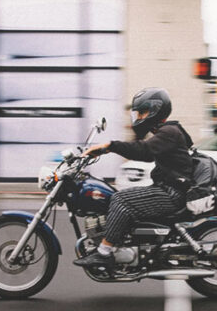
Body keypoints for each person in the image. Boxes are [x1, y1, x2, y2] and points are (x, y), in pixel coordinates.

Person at [73, 87, 193, 268]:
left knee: (120, 200)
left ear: (155, 110)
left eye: (143, 112)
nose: (138, 117)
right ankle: (120, 242)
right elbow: (146, 150)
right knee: (120, 196)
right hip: (168, 189)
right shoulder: (166, 132)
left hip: (172, 193)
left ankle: (105, 253)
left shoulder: (169, 132)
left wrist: (109, 146)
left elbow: (143, 151)